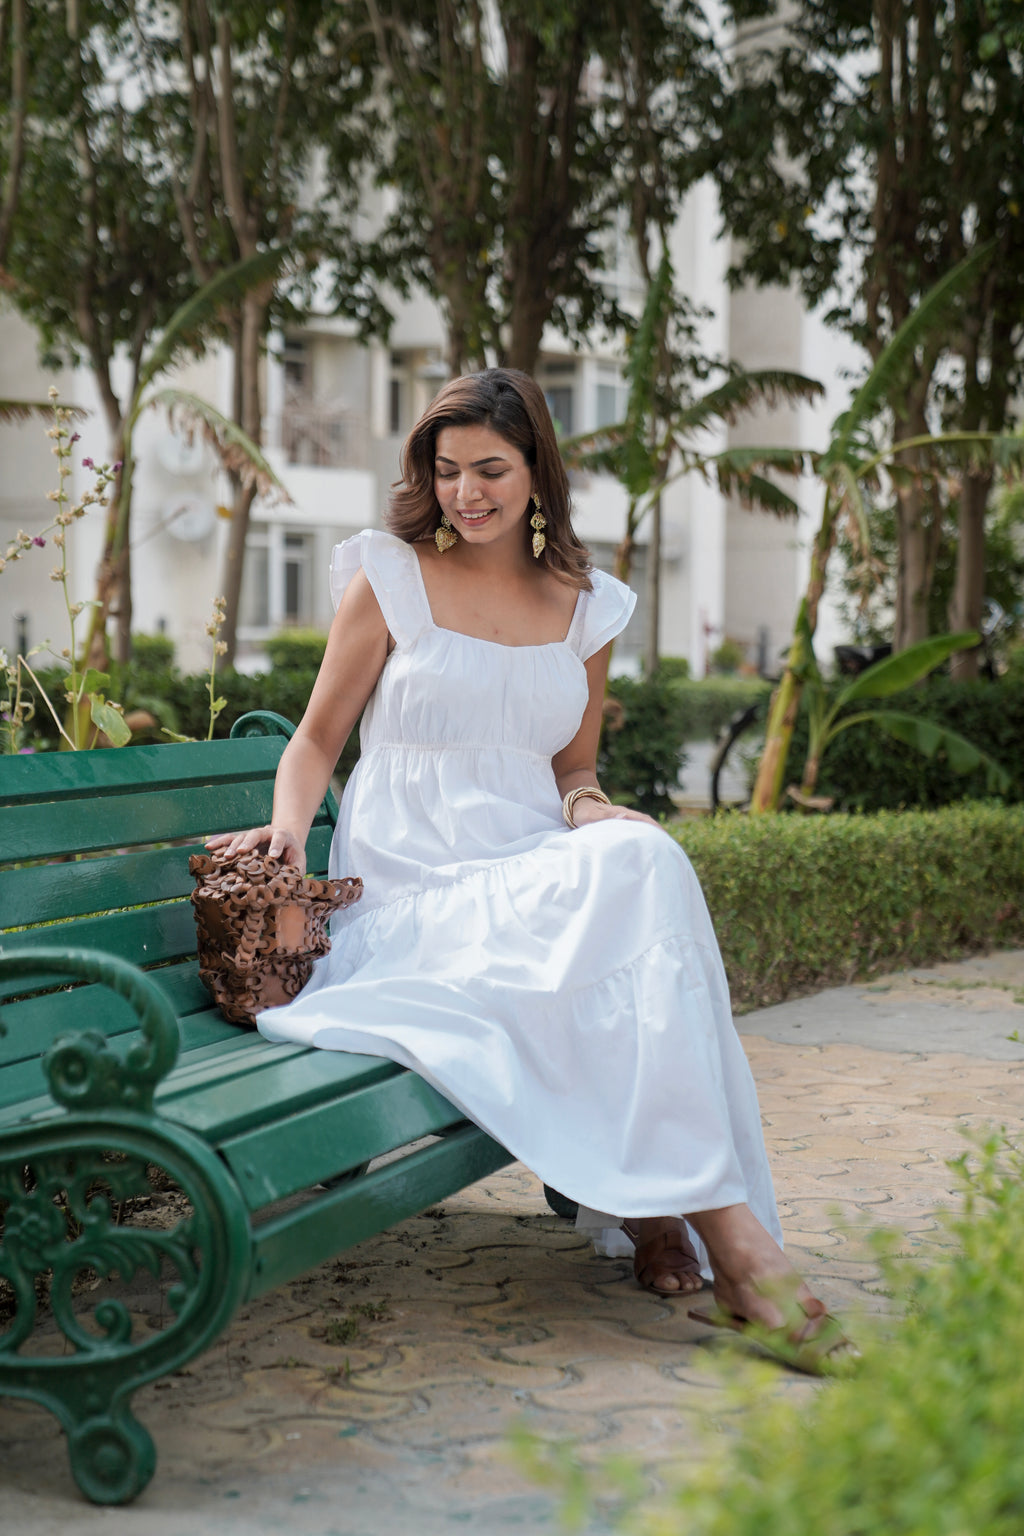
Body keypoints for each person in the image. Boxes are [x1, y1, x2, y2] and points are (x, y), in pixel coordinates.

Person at [209, 368, 848, 1374]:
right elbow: (316, 739)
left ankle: (678, 1213)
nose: (466, 493)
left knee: (644, 856)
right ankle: (726, 1245)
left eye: (491, 470)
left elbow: (573, 771)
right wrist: (289, 830)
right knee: (631, 903)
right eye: (446, 469)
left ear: (537, 470)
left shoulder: (584, 604)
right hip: (414, 886)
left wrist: (593, 811)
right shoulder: (392, 575)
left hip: (527, 862)